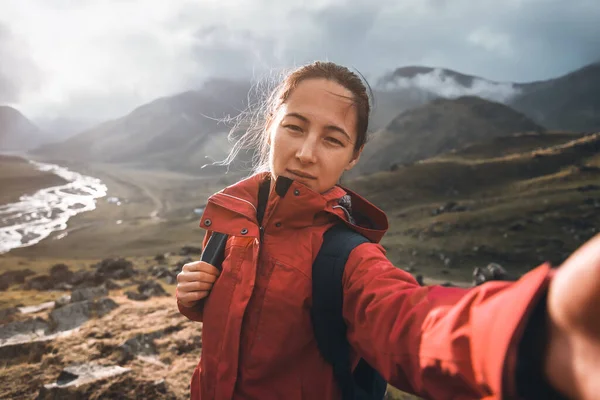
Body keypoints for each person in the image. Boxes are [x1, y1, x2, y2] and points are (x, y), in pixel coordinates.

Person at [176, 61, 600, 400]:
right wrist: (198, 301)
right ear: (271, 124)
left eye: (332, 139)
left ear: (354, 156)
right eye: (295, 127)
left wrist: (534, 335)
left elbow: (410, 325)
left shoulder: (349, 258)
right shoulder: (232, 218)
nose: (305, 153)